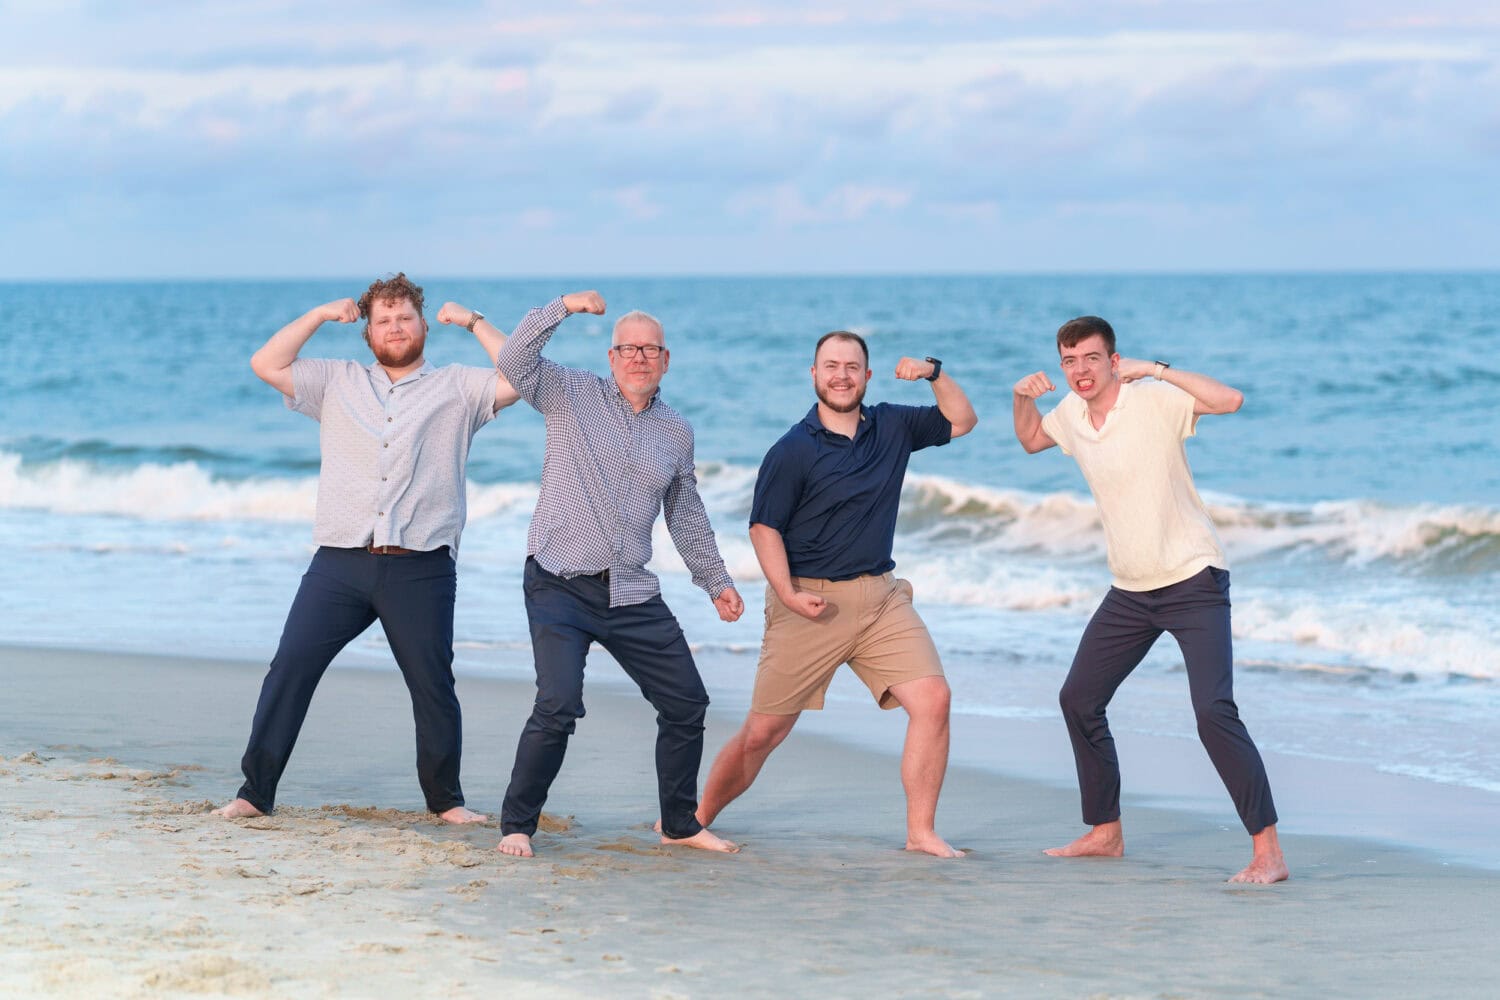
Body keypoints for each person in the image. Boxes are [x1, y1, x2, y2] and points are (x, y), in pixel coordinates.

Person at [215, 273, 519, 824]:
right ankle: (255, 793)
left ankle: (446, 802)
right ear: (368, 332)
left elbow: (523, 375)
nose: (395, 327)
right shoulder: (336, 381)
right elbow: (266, 363)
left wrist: (474, 321)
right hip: (339, 563)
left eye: (405, 317)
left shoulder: (457, 387)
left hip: (420, 566)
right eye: (384, 320)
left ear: (424, 325)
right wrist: (316, 315)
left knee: (433, 687)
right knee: (290, 669)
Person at [1011, 315, 1289, 883]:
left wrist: (1156, 369)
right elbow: (1032, 439)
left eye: (1091, 358)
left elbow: (1231, 400)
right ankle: (1105, 833)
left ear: (1114, 360)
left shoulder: (1153, 399)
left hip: (1193, 579)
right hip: (1130, 591)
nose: (1080, 371)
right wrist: (1020, 398)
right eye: (1069, 361)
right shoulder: (1068, 414)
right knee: (1079, 699)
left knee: (1213, 712)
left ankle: (1268, 852)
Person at [696, 332, 978, 858]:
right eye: (831, 366)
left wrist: (935, 374)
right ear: (814, 374)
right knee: (763, 735)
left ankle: (921, 833)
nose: (842, 374)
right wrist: (787, 594)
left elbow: (962, 421)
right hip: (808, 604)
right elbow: (764, 529)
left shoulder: (892, 425)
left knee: (933, 700)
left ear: (867, 377)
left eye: (852, 366)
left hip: (880, 600)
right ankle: (693, 819)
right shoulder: (791, 450)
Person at [493, 291, 744, 858]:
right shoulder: (570, 392)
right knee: (558, 706)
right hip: (558, 580)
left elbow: (685, 510)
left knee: (687, 704)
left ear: (665, 360)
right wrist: (563, 307)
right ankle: (517, 825)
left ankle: (679, 822)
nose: (637, 358)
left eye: (649, 350)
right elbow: (513, 361)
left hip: (630, 590)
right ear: (611, 358)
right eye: (627, 349)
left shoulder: (676, 432)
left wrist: (717, 582)